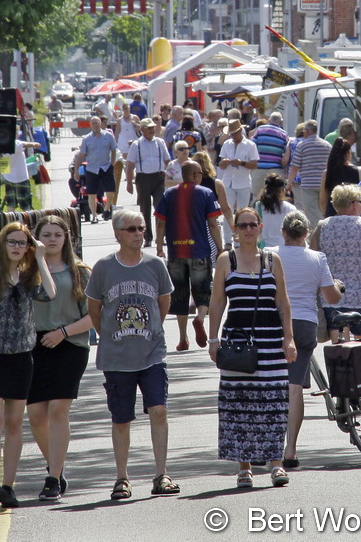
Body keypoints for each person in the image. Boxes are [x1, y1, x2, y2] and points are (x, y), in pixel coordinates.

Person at [86, 209, 178, 500]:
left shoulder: (156, 265)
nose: (139, 233)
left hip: (152, 353)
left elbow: (163, 304)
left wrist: (151, 331)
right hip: (117, 357)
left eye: (141, 228)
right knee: (121, 418)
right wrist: (112, 336)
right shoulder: (102, 268)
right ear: (117, 234)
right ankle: (122, 477)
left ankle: (161, 474)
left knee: (159, 410)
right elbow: (95, 310)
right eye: (132, 229)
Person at [207, 206, 297, 489]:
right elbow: (217, 303)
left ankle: (276, 464)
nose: (248, 229)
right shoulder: (226, 260)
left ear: (260, 227)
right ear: (235, 229)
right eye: (242, 225)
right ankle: (244, 467)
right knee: (239, 404)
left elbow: (283, 303)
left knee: (273, 403)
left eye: (252, 225)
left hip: (270, 342)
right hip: (237, 342)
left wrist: (289, 338)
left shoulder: (272, 260)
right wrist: (213, 340)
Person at [0, 222, 55, 509]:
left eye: (22, 243)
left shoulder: (29, 278)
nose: (17, 247)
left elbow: (50, 294)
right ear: (2, 244)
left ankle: (8, 486)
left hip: (21, 359)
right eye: (12, 242)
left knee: (15, 423)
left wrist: (40, 257)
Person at [27, 216, 92, 502]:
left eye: (57, 234)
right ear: (36, 239)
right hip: (33, 346)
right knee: (36, 416)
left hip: (70, 344)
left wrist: (63, 333)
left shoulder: (80, 271)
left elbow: (94, 316)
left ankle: (52, 479)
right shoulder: (28, 271)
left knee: (57, 411)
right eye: (46, 235)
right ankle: (57, 464)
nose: (52, 239)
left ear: (66, 238)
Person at [275, 211, 343, 468]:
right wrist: (337, 285)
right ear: (306, 234)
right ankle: (290, 450)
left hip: (276, 324)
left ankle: (269, 444)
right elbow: (332, 297)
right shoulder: (317, 258)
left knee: (271, 384)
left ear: (283, 232)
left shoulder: (271, 254)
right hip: (304, 324)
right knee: (294, 388)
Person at [155, 161, 223, 352]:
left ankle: (183, 338)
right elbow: (213, 224)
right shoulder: (206, 193)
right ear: (194, 175)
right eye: (200, 173)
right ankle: (200, 318)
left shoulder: (169, 193)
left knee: (179, 294)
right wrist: (219, 247)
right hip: (200, 251)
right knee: (202, 291)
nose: (201, 176)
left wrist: (160, 246)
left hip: (176, 252)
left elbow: (160, 222)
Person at [312, 183, 361, 341]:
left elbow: (313, 262)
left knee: (339, 347)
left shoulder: (322, 226)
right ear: (353, 204)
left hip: (332, 295)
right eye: (360, 201)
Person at [125, 118, 171, 248]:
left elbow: (168, 161)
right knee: (145, 209)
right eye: (149, 128)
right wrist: (129, 183)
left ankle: (162, 237)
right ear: (142, 129)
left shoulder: (160, 142)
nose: (152, 130)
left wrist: (173, 175)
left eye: (153, 127)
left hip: (159, 178)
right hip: (143, 179)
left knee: (160, 207)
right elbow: (130, 165)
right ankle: (147, 237)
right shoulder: (136, 145)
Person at [218, 122, 259, 240]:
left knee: (243, 213)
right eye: (231, 134)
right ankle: (227, 239)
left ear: (240, 131)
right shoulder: (227, 144)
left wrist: (241, 163)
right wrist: (224, 162)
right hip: (228, 181)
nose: (233, 136)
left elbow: (255, 165)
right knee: (227, 211)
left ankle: (239, 239)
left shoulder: (250, 145)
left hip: (243, 182)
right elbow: (221, 165)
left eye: (235, 133)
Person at [288, 119, 331, 229]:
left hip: (308, 185)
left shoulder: (302, 146)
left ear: (307, 131)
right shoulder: (327, 145)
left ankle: (315, 239)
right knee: (323, 212)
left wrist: (289, 183)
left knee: (311, 214)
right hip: (324, 185)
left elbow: (294, 167)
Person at [76, 116, 118, 222]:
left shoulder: (108, 136)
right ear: (90, 125)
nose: (95, 125)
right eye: (93, 123)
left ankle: (107, 209)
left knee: (111, 192)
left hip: (106, 166)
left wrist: (112, 164)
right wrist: (76, 170)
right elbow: (81, 155)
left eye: (97, 123)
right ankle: (94, 215)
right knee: (91, 193)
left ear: (101, 124)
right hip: (92, 168)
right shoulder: (86, 139)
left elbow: (114, 150)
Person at [193, 150, 236, 253]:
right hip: (211, 227)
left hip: (191, 224)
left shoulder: (188, 184)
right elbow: (225, 208)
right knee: (213, 260)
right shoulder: (217, 184)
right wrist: (233, 228)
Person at [0, 132, 42, 212]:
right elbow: (24, 144)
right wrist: (34, 144)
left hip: (8, 177)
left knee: (11, 204)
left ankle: (11, 221)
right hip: (21, 178)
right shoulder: (15, 143)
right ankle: (29, 220)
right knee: (26, 204)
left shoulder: (2, 144)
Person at [250, 111, 290, 198]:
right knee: (277, 197)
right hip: (275, 169)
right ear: (281, 122)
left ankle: (258, 211)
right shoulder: (283, 133)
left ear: (269, 120)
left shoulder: (259, 130)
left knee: (257, 196)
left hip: (259, 168)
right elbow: (286, 152)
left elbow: (252, 146)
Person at [320, 137, 361, 217]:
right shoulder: (360, 172)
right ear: (348, 153)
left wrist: (326, 214)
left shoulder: (328, 173)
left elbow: (323, 200)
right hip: (354, 216)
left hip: (332, 215)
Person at [257, 173, 297, 249]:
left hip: (264, 249)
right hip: (285, 248)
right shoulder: (291, 208)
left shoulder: (258, 206)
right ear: (281, 190)